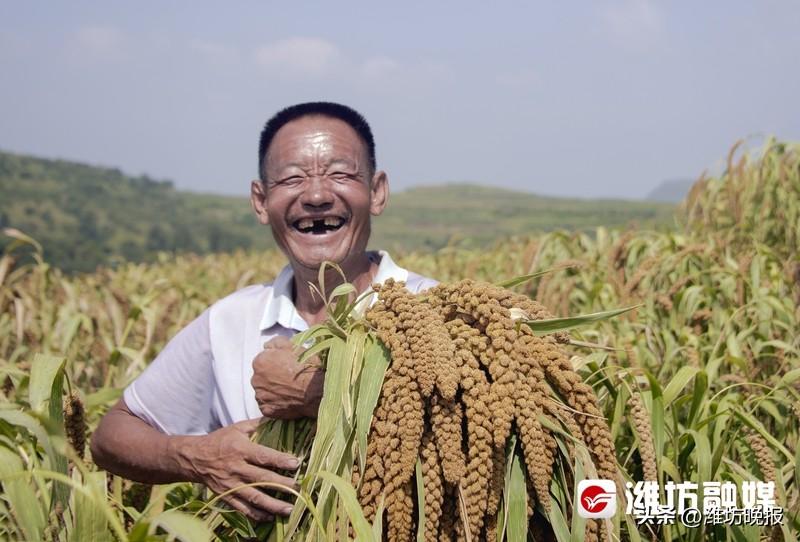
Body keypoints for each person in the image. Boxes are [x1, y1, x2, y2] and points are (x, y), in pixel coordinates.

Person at [90, 102, 437, 521]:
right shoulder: (230, 322)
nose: (315, 196)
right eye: (292, 178)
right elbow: (112, 435)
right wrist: (199, 456)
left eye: (341, 174)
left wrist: (319, 393)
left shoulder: (437, 311)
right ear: (260, 201)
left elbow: (495, 426)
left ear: (377, 191)